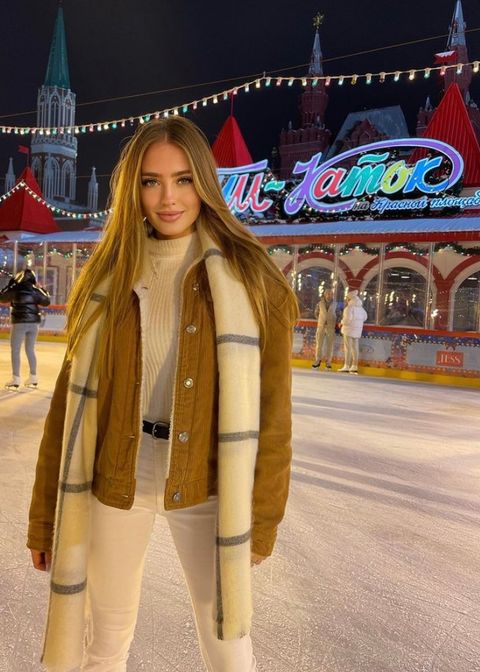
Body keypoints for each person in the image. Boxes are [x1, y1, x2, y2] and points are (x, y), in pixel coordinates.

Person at [27, 116, 298, 672]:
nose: (168, 198)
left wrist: (263, 519)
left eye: (183, 180)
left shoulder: (253, 280)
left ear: (205, 183)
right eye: (152, 181)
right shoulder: (106, 276)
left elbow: (274, 416)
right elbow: (65, 412)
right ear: (134, 188)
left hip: (205, 483)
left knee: (228, 646)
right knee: (105, 643)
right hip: (116, 477)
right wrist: (44, 517)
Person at [0, 268, 50, 389]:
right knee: (30, 349)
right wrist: (42, 289)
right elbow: (46, 301)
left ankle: (16, 378)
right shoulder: (35, 290)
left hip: (19, 323)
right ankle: (33, 377)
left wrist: (10, 285)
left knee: (15, 350)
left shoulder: (15, 288)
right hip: (34, 323)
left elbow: (2, 297)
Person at [338, 289, 367, 374]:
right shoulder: (361, 309)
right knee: (355, 348)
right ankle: (354, 366)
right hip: (357, 331)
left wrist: (341, 322)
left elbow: (347, 320)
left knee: (348, 348)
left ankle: (346, 365)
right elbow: (365, 317)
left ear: (350, 299)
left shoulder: (348, 308)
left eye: (347, 298)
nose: (346, 300)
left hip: (348, 330)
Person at [311, 288, 338, 370]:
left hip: (331, 327)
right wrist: (321, 319)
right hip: (321, 326)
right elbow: (316, 313)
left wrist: (334, 320)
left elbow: (339, 314)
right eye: (328, 294)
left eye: (331, 294)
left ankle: (328, 362)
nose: (330, 295)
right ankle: (317, 361)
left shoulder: (335, 304)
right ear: (325, 295)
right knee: (319, 344)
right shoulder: (319, 303)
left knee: (330, 345)